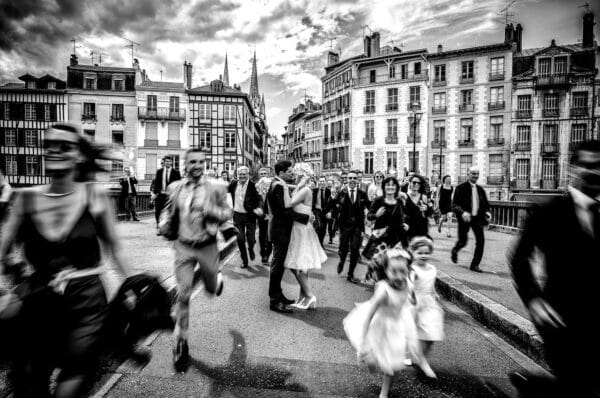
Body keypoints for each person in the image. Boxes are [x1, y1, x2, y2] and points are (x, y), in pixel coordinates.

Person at [0, 123, 134, 397]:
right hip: (37, 299)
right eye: (48, 145)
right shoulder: (25, 198)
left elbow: (116, 249)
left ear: (80, 156)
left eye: (64, 146)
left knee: (72, 384)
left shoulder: (94, 195)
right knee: (30, 382)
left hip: (86, 301)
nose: (53, 150)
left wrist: (132, 287)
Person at [509, 140, 600, 397]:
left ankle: (536, 390)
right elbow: (520, 258)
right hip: (558, 316)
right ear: (572, 169)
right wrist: (534, 299)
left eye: (599, 166)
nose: (594, 172)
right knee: (578, 382)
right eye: (588, 165)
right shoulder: (549, 211)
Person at [159, 148, 230, 372]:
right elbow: (167, 210)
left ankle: (215, 281)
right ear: (185, 164)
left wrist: (214, 212)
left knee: (209, 289)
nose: (197, 166)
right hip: (183, 248)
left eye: (201, 162)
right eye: (193, 162)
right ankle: (182, 341)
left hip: (207, 247)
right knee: (183, 293)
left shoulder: (217, 187)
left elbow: (228, 213)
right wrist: (163, 222)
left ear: (205, 164)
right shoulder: (175, 187)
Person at [343, 248, 431, 398]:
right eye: (394, 271)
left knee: (392, 362)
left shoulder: (408, 284)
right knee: (372, 355)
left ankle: (384, 393)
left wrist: (415, 302)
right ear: (386, 270)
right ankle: (370, 359)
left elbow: (412, 296)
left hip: (396, 325)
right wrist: (363, 341)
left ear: (408, 271)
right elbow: (369, 315)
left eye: (403, 271)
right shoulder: (384, 290)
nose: (399, 276)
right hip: (378, 324)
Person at [265, 160, 313, 313]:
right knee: (277, 267)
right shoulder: (278, 185)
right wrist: (305, 218)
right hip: (280, 231)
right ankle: (274, 300)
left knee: (279, 265)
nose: (292, 173)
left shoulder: (279, 184)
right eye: (289, 171)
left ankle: (279, 295)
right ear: (281, 173)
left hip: (281, 231)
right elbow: (284, 211)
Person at [279, 163, 327, 309]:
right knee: (299, 266)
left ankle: (310, 296)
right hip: (299, 228)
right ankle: (303, 298)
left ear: (302, 175)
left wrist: (290, 187)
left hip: (301, 230)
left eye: (296, 173)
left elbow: (289, 204)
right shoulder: (302, 189)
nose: (294, 176)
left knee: (298, 267)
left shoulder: (305, 190)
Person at [409, 236, 444, 379]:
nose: (424, 255)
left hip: (429, 303)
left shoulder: (432, 268)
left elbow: (431, 283)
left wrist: (435, 294)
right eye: (420, 252)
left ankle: (419, 356)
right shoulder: (413, 269)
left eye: (426, 252)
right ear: (413, 253)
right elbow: (409, 286)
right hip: (415, 303)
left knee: (432, 334)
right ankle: (422, 361)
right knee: (418, 334)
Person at [328, 170, 370, 284]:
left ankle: (350, 274)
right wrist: (332, 199)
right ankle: (341, 261)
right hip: (344, 226)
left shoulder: (362, 194)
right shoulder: (342, 192)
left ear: (357, 180)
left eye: (354, 178)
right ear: (347, 180)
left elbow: (370, 206)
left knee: (355, 249)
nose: (352, 180)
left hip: (357, 226)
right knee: (343, 249)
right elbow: (332, 205)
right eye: (350, 178)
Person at [451, 167, 491, 273]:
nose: (475, 176)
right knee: (463, 241)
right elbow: (454, 205)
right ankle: (455, 250)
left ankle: (475, 264)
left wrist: (487, 212)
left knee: (481, 241)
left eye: (477, 174)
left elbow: (486, 204)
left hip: (477, 218)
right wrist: (463, 212)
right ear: (468, 174)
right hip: (465, 218)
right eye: (473, 173)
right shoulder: (460, 188)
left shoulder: (480, 190)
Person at [365, 177, 409, 256]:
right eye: (388, 185)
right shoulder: (378, 200)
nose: (390, 187)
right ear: (384, 187)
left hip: (396, 238)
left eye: (393, 185)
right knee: (379, 264)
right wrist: (376, 215)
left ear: (396, 187)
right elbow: (369, 216)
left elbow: (403, 216)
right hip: (381, 237)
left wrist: (406, 224)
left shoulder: (399, 202)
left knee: (392, 264)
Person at [228, 166, 262, 268]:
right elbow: (224, 190)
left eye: (244, 174)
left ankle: (251, 248)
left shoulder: (253, 185)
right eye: (240, 174)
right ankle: (245, 260)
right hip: (237, 216)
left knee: (251, 239)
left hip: (250, 216)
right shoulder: (234, 184)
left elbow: (259, 199)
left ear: (248, 175)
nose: (242, 176)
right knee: (240, 239)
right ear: (237, 175)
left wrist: (259, 208)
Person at [152, 156, 181, 234]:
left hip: (171, 196)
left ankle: (170, 228)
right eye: (166, 161)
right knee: (158, 211)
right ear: (164, 162)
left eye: (169, 161)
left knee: (171, 212)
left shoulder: (176, 172)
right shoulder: (159, 172)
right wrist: (155, 193)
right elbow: (156, 183)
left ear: (172, 162)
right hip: (161, 195)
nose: (168, 163)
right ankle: (159, 227)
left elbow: (179, 184)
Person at [404, 174, 432, 240]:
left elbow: (429, 213)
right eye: (414, 182)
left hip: (421, 227)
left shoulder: (423, 197)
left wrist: (426, 208)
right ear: (410, 183)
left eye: (419, 183)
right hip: (408, 227)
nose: (416, 184)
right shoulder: (404, 196)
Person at [256, 168, 272, 264]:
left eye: (265, 173)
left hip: (271, 214)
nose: (263, 175)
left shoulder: (272, 185)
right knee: (262, 234)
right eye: (261, 174)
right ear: (259, 175)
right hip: (261, 214)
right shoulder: (255, 186)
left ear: (268, 174)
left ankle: (268, 253)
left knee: (270, 235)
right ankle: (263, 254)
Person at [312, 176, 331, 246]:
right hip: (317, 211)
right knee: (319, 227)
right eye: (320, 181)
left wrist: (329, 212)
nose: (322, 182)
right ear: (318, 182)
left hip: (325, 212)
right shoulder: (315, 190)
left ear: (325, 182)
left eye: (323, 181)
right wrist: (312, 211)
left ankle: (321, 242)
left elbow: (330, 202)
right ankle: (317, 243)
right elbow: (312, 201)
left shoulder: (328, 191)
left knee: (323, 229)